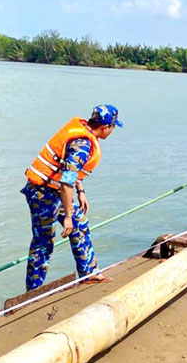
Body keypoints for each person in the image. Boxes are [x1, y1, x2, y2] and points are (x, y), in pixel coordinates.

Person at [22, 104, 121, 291]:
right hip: (42, 193)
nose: (112, 132)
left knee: (80, 225)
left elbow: (70, 172)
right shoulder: (82, 144)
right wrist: (67, 216)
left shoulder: (85, 132)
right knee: (43, 242)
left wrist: (81, 191)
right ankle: (33, 292)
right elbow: (66, 182)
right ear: (106, 127)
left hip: (55, 191)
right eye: (113, 128)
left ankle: (89, 274)